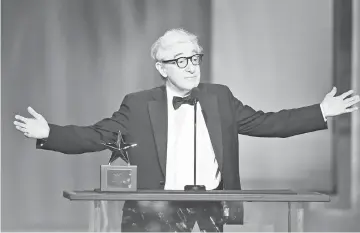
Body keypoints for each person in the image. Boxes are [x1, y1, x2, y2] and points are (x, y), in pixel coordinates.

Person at [14, 28, 359, 232]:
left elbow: (267, 123)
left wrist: (321, 112)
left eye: (195, 58)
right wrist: (49, 133)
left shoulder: (219, 97)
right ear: (161, 68)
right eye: (180, 60)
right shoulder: (137, 105)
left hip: (208, 212)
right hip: (153, 213)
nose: (191, 66)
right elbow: (95, 135)